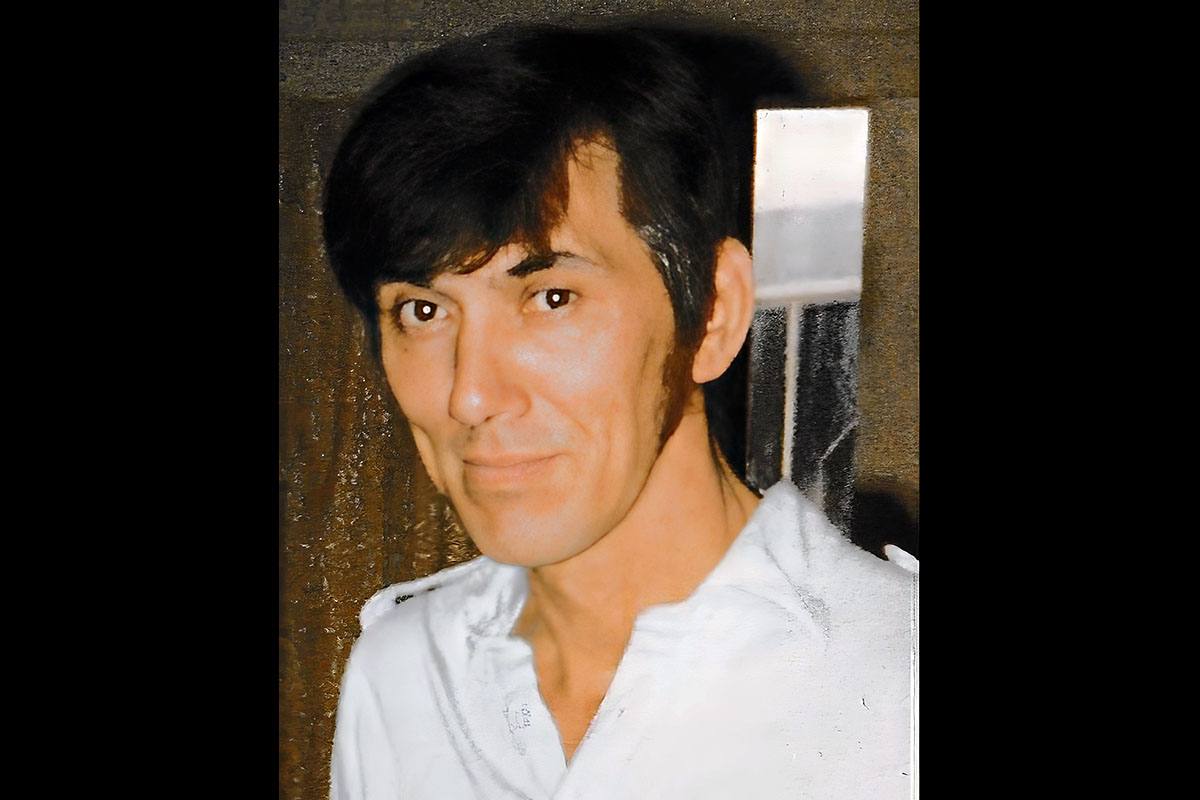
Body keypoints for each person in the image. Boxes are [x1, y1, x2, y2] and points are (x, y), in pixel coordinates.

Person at [322, 21, 917, 800]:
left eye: (551, 297)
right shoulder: (400, 677)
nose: (469, 395)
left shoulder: (896, 683)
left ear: (713, 313)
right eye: (423, 311)